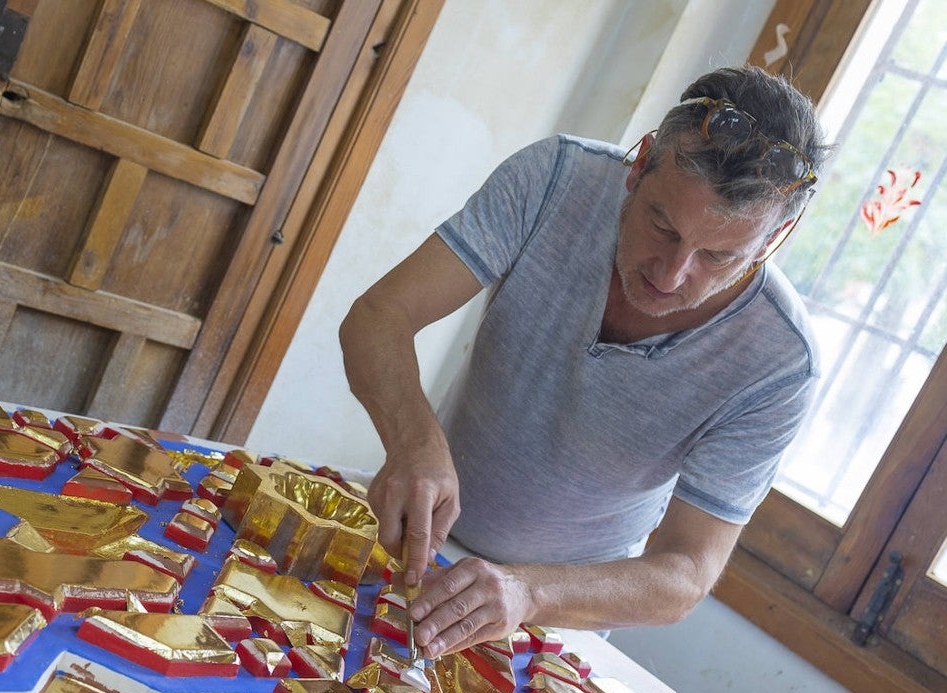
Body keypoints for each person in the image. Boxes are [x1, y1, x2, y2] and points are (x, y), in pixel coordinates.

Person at [338, 66, 827, 659]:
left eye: (720, 257)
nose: (670, 276)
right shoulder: (554, 178)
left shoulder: (780, 363)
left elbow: (685, 573)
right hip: (416, 537)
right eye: (661, 225)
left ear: (780, 233)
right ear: (639, 164)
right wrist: (413, 440)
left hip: (556, 611)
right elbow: (377, 320)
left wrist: (528, 593)